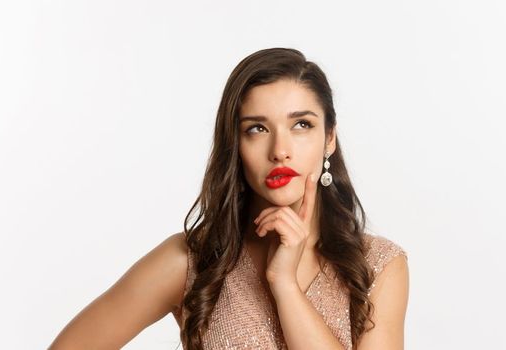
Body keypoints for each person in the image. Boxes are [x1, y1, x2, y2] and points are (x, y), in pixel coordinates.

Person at [49, 48, 409, 350]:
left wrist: (284, 284)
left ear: (329, 138)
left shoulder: (378, 266)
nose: (280, 150)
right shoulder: (191, 261)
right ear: (235, 145)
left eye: (301, 125)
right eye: (257, 129)